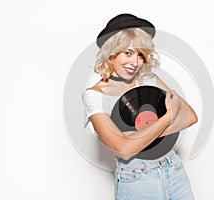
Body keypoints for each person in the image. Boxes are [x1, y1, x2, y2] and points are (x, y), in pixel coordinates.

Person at [83, 13, 198, 200]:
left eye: (140, 55)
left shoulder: (147, 79)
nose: (135, 62)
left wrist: (134, 137)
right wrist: (168, 118)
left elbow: (190, 116)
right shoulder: (95, 95)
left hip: (174, 170)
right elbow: (124, 150)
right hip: (137, 180)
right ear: (111, 53)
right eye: (128, 53)